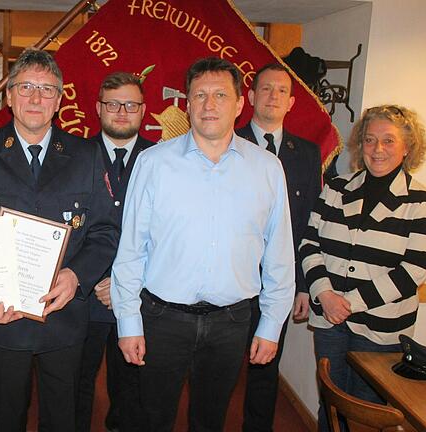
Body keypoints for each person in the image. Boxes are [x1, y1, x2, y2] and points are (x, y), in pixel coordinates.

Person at [111, 56, 295, 432]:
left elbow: (279, 255)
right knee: (152, 419)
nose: (209, 105)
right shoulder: (154, 163)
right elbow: (131, 250)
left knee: (211, 421)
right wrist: (128, 321)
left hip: (232, 323)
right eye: (200, 96)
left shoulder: (267, 169)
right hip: (163, 320)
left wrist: (271, 325)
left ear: (240, 104)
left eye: (220, 95)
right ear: (188, 102)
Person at [0, 48, 119, 431]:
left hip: (65, 319)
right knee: (6, 418)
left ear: (60, 101)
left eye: (47, 89)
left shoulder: (85, 155)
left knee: (62, 420)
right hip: (2, 318)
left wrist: (77, 276)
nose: (36, 98)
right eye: (25, 87)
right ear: (8, 96)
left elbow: (106, 231)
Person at [300, 104, 426, 431]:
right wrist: (324, 294)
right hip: (329, 322)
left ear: (408, 147)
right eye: (370, 139)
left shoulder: (421, 202)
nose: (377, 149)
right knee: (331, 405)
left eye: (389, 141)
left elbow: (413, 272)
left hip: (381, 329)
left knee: (367, 412)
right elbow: (309, 243)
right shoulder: (336, 188)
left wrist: (348, 303)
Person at [235, 62, 322, 432]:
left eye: (281, 91)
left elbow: (307, 225)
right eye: (265, 89)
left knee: (266, 369)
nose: (272, 96)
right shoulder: (226, 142)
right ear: (250, 97)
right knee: (213, 369)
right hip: (232, 280)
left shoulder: (306, 153)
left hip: (278, 284)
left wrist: (302, 286)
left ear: (291, 102)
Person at [76, 72, 153, 432]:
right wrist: (95, 279)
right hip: (84, 297)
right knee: (77, 386)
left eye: (130, 104)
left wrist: (123, 282)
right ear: (98, 108)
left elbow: (168, 232)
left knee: (132, 394)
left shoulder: (162, 159)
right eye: (113, 104)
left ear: (142, 110)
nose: (121, 111)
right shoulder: (74, 156)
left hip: (139, 298)